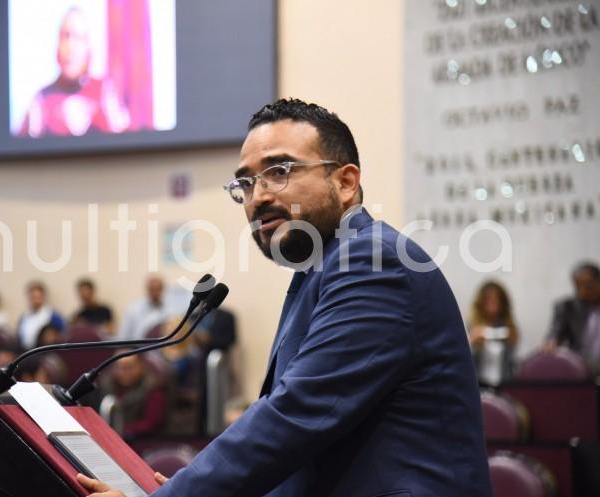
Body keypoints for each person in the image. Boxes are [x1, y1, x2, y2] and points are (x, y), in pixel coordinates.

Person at [78, 99, 492, 497]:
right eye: (245, 181)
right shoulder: (322, 269)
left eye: (279, 171)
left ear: (345, 182)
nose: (258, 196)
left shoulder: (371, 261)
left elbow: (296, 414)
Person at [16, 6, 130, 138]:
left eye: (78, 38)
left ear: (88, 47)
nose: (70, 46)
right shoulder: (41, 100)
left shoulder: (104, 92)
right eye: (65, 36)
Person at [544, 262, 600, 374]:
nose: (582, 292)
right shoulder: (567, 307)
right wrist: (551, 342)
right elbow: (556, 331)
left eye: (588, 286)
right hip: (580, 370)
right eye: (578, 287)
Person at [95, 353, 166, 441]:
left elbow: (150, 424)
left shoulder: (153, 388)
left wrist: (119, 429)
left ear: (141, 366)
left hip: (139, 441)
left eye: (129, 367)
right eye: (120, 367)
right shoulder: (104, 385)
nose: (124, 371)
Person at [468, 281, 519, 386]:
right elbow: (464, 361)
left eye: (497, 300)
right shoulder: (472, 327)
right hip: (478, 384)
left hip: (504, 384)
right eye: (489, 299)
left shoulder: (509, 329)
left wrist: (511, 341)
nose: (493, 303)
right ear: (481, 302)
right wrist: (471, 342)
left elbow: (514, 363)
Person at [118, 276, 190, 341]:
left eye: (158, 289)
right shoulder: (133, 309)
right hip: (139, 349)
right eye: (152, 289)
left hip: (164, 349)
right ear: (147, 289)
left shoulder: (173, 307)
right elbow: (123, 336)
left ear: (163, 289)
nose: (155, 293)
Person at [17, 281, 65, 350]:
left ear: (43, 297)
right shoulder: (24, 317)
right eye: (33, 297)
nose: (36, 300)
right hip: (25, 353)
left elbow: (61, 336)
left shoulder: (53, 316)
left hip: (45, 352)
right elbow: (19, 338)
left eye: (38, 297)